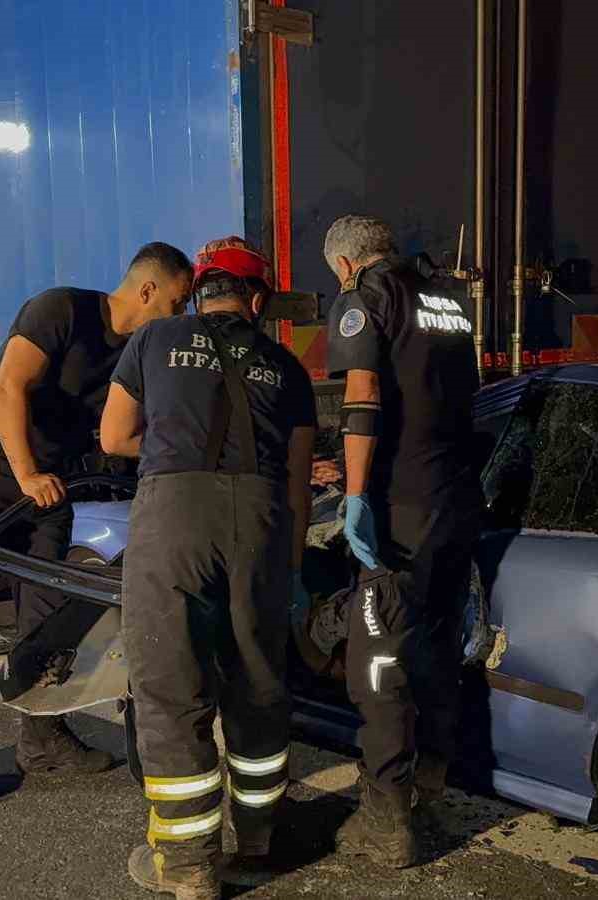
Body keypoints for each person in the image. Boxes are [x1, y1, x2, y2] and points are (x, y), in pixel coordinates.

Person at [0, 242, 194, 801]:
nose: (181, 315)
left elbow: (127, 433)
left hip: (49, 479)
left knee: (48, 609)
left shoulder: (138, 352)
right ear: (147, 291)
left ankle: (41, 734)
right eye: (177, 302)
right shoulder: (61, 310)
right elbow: (8, 387)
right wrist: (25, 473)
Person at [101, 237, 316, 899]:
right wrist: (290, 565)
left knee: (171, 691)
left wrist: (176, 443)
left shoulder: (154, 339)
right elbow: (298, 484)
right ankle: (257, 839)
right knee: (257, 684)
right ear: (256, 300)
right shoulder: (288, 366)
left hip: (174, 517)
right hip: (260, 522)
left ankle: (191, 868)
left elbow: (113, 438)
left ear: (200, 291)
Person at [322, 215, 482, 867]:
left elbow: (362, 399)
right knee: (439, 643)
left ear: (343, 263)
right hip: (456, 498)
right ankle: (430, 790)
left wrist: (354, 494)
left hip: (401, 505)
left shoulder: (364, 299)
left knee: (379, 657)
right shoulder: (448, 300)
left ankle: (387, 821)